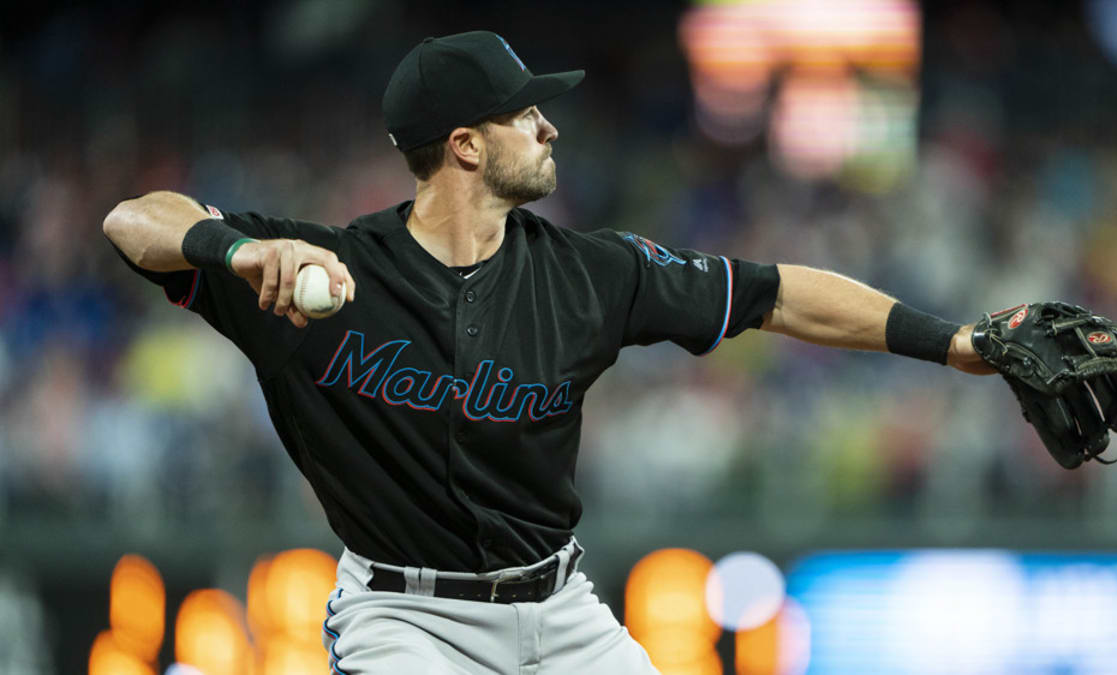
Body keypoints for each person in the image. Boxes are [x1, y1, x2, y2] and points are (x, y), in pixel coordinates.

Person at [103, 31, 995, 674]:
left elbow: (774, 293)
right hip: (404, 621)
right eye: (524, 112)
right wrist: (233, 249)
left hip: (560, 610)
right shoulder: (321, 269)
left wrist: (950, 341)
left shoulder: (589, 273)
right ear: (464, 145)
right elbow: (132, 221)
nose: (549, 126)